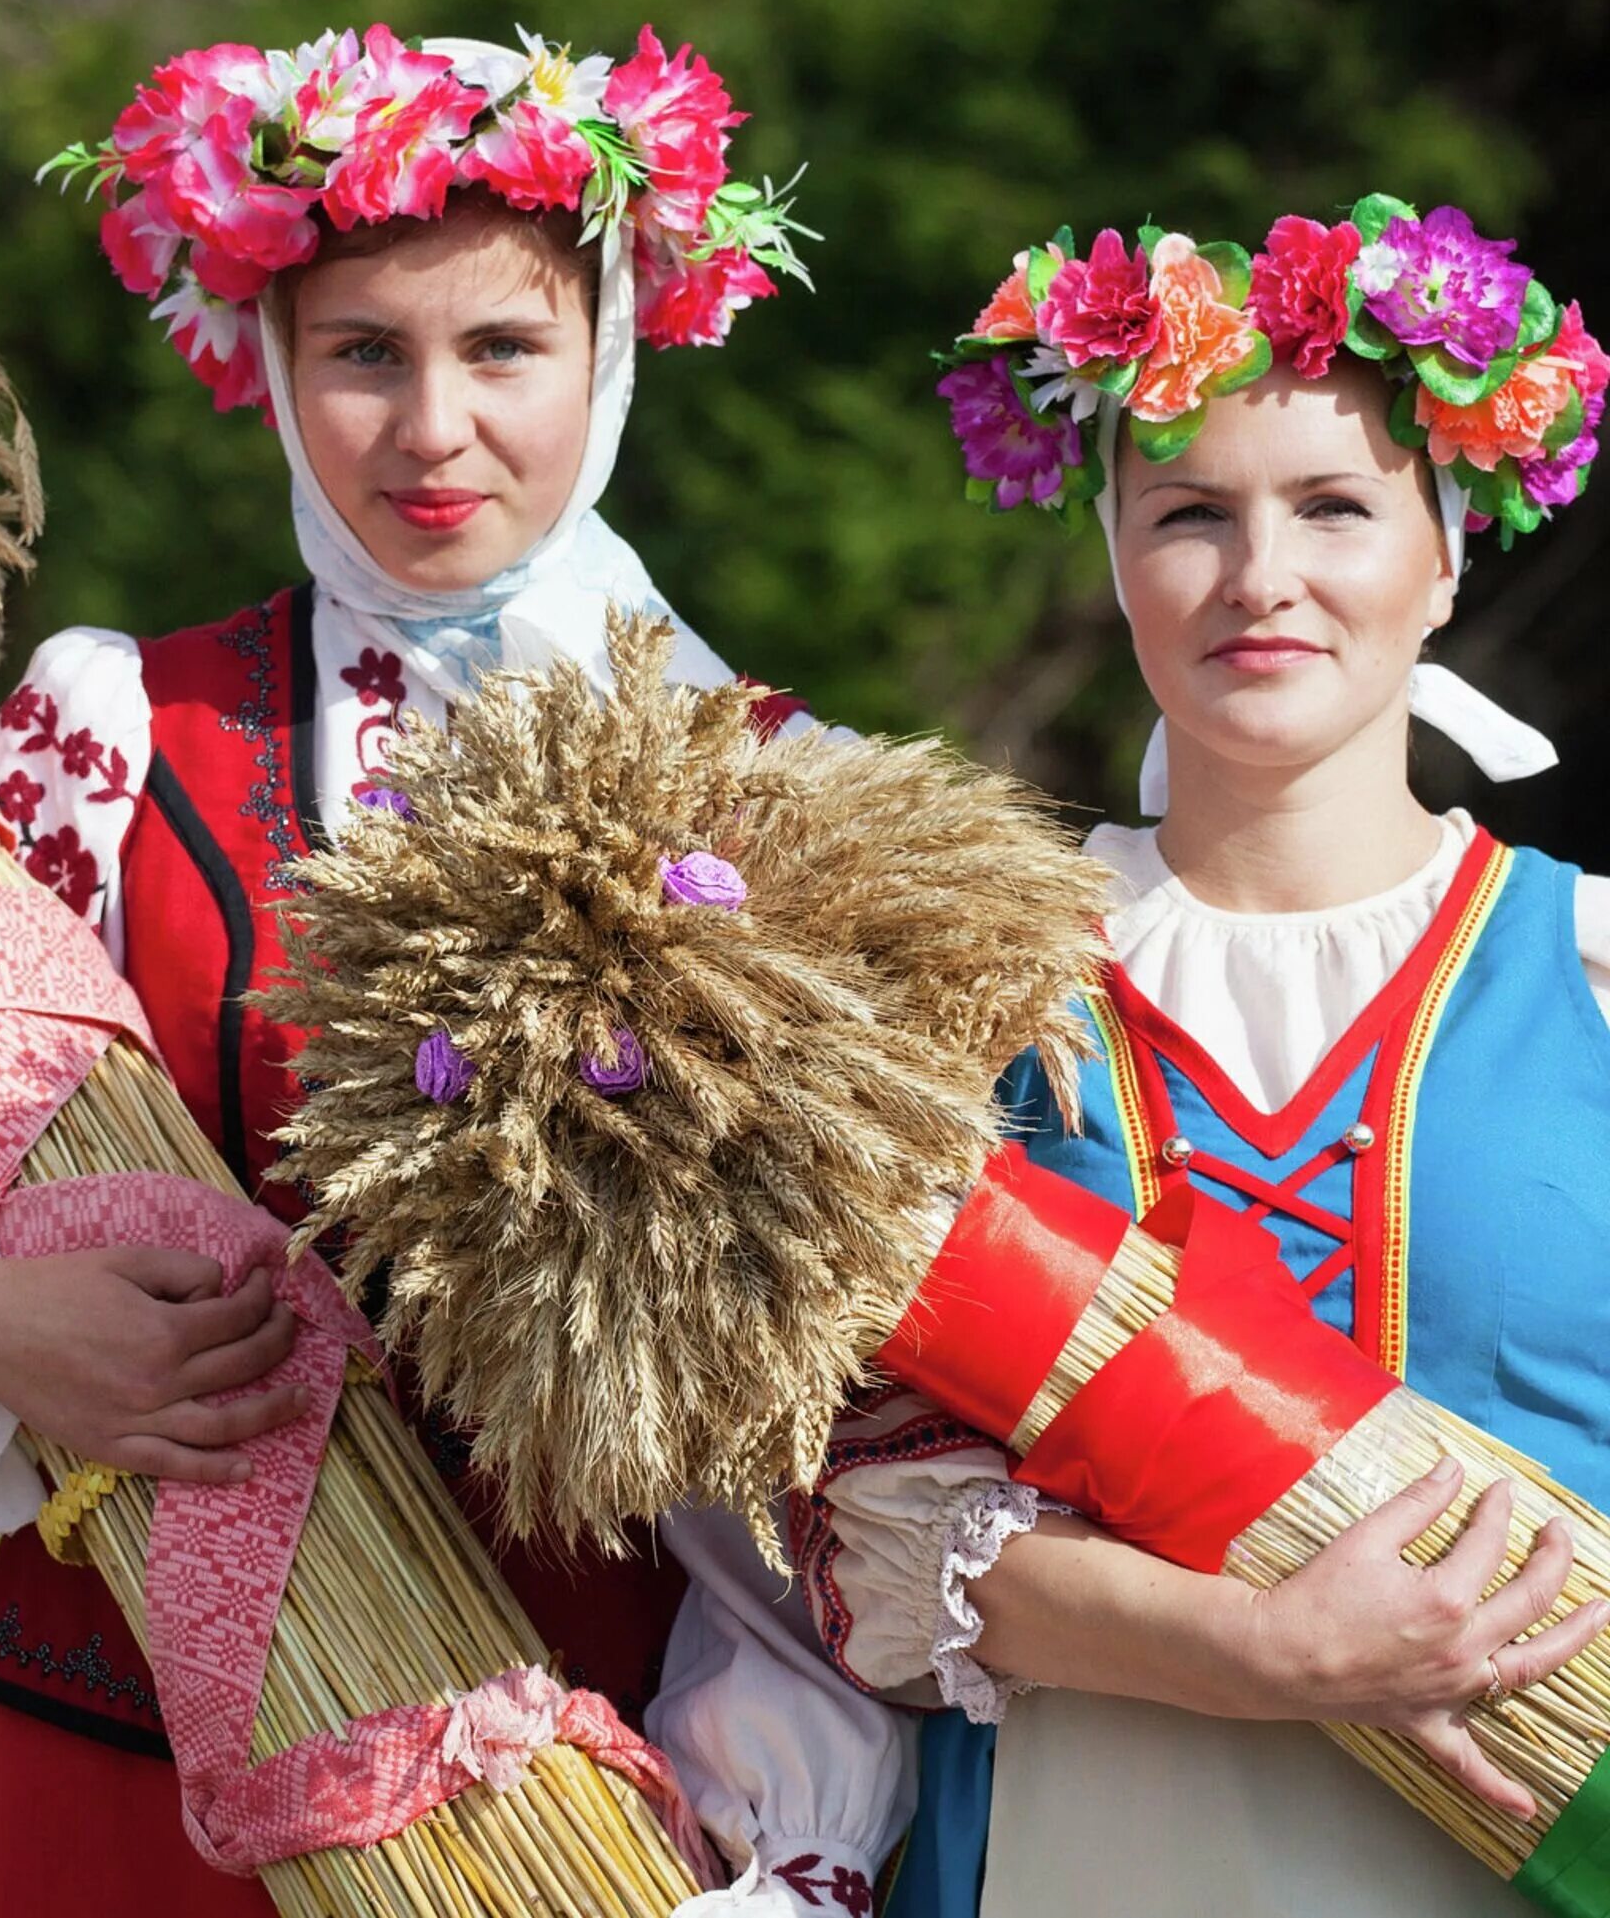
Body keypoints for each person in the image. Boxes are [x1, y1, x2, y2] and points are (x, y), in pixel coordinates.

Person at [0, 22, 818, 1917]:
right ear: (275, 372)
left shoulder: (787, 802)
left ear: (613, 353)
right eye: (364, 350)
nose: (433, 425)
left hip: (608, 1813)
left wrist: (778, 1852)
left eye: (506, 348)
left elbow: (839, 1442)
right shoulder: (120, 735)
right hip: (131, 1780)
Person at [647, 201, 1610, 1916]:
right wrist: (1266, 1649)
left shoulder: (1599, 975)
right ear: (1112, 557)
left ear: (1448, 553)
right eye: (1188, 515)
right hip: (1064, 1852)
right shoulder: (953, 979)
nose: (1260, 576)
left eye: (1334, 507)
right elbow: (851, 1526)